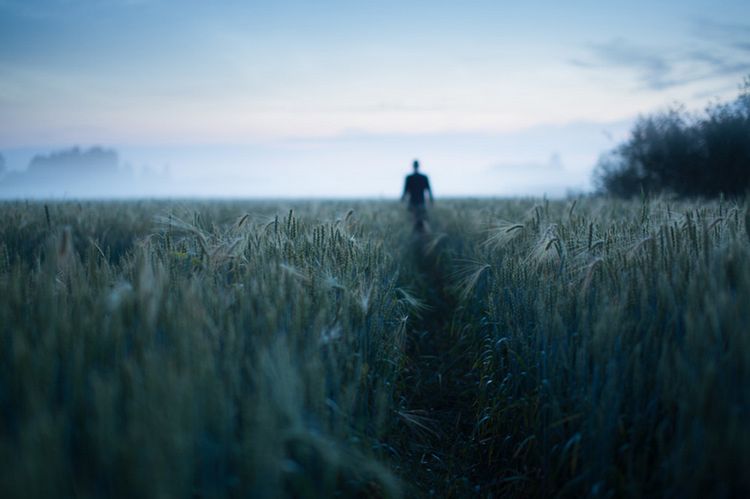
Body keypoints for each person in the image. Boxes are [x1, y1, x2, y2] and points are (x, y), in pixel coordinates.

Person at [401, 159, 433, 231]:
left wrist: (402, 200)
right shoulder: (423, 177)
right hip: (421, 203)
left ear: (413, 166)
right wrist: (431, 200)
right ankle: (422, 235)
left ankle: (415, 236)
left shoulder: (409, 178)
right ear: (418, 166)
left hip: (413, 203)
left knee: (413, 221)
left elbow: (405, 191)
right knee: (422, 220)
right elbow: (429, 190)